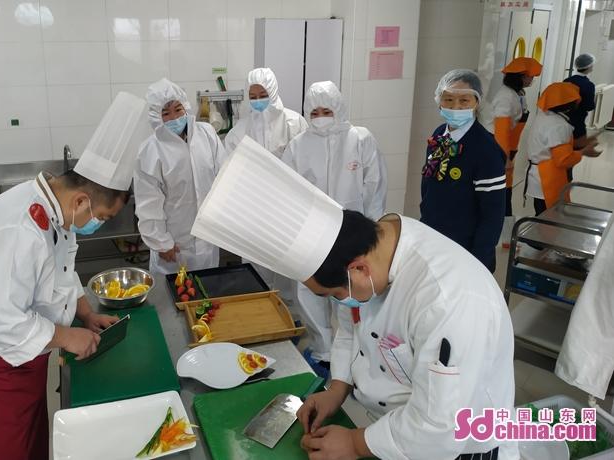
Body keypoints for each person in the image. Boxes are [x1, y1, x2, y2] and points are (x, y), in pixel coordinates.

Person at [191, 138, 518, 460]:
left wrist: (356, 444)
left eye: (334, 294)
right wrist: (338, 387)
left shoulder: (447, 302)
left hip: (459, 447)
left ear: (358, 268)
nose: (339, 302)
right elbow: (350, 329)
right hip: (393, 430)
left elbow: (439, 429)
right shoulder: (370, 254)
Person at [0, 92, 150, 460]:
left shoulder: (57, 211)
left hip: (25, 365)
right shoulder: (19, 230)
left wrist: (86, 315)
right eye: (104, 217)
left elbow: (63, 271)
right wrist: (69, 337)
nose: (99, 224)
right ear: (82, 200)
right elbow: (3, 323)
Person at [282, 80, 387, 375]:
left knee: (351, 295)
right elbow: (290, 191)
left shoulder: (360, 139)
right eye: (314, 112)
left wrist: (373, 234)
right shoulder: (298, 146)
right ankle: (323, 350)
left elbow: (374, 186)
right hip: (312, 234)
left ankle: (356, 356)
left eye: (326, 110)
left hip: (353, 234)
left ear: (338, 109)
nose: (320, 116)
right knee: (310, 292)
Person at [224, 68, 308, 296]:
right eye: (253, 96)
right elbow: (229, 176)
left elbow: (306, 169)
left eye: (262, 94)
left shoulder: (294, 123)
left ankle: (291, 316)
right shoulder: (239, 132)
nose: (258, 100)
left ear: (272, 92)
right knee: (256, 274)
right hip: (253, 215)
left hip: (288, 214)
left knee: (288, 273)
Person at [135, 78, 227, 275]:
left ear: (186, 107)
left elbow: (224, 178)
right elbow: (148, 204)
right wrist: (161, 242)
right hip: (174, 248)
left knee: (206, 295)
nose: (174, 117)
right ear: (155, 117)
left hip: (208, 240)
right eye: (165, 113)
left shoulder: (207, 135)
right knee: (173, 299)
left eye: (178, 109)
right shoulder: (150, 152)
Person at [420, 69, 506, 273]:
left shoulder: (486, 150)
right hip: (434, 239)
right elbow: (428, 184)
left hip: (466, 250)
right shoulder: (439, 135)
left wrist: (478, 263)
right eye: (448, 99)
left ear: (477, 103)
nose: (455, 107)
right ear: (439, 100)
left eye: (464, 101)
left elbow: (493, 215)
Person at [525, 82, 601, 215]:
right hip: (548, 179)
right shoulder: (559, 125)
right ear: (569, 106)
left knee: (541, 212)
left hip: (537, 176)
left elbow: (553, 143)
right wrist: (584, 151)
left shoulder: (544, 117)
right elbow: (563, 160)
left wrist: (582, 142)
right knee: (550, 218)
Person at [491, 57, 542, 242]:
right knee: (502, 196)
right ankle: (505, 239)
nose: (532, 80)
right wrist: (503, 158)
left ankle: (506, 239)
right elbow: (501, 132)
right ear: (520, 77)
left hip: (508, 150)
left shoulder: (518, 93)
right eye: (530, 76)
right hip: (498, 150)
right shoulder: (506, 97)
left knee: (506, 194)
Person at [564, 53, 598, 180]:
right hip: (578, 125)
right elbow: (589, 106)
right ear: (589, 67)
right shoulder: (588, 85)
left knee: (564, 152)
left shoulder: (566, 81)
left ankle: (563, 178)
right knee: (573, 154)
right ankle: (567, 181)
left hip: (564, 121)